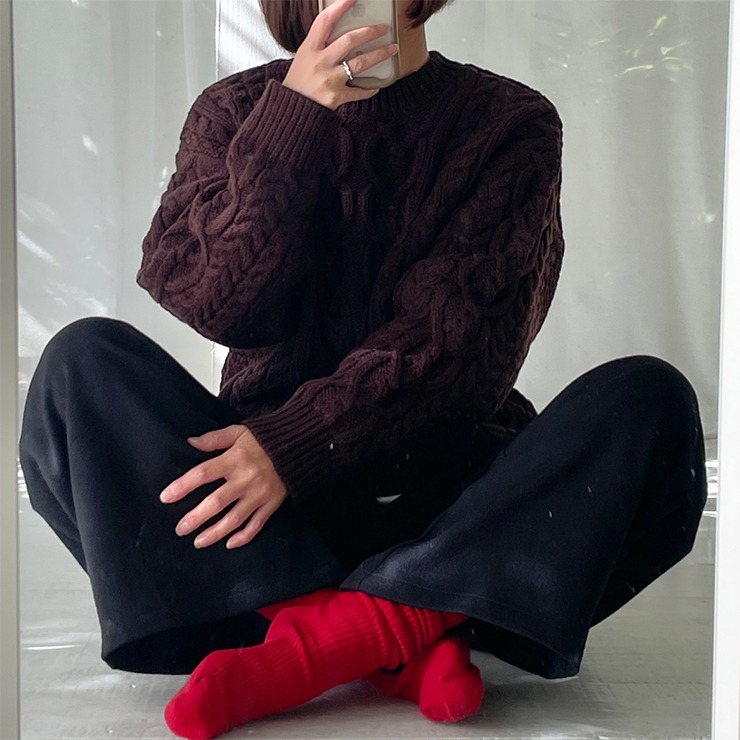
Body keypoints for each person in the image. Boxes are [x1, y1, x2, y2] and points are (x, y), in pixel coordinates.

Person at [18, 0, 708, 738]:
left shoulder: (511, 122)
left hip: (445, 505)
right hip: (263, 512)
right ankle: (406, 625)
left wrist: (295, 444)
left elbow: (464, 348)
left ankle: (318, 638)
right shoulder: (234, 110)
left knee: (651, 404)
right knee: (78, 369)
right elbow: (204, 298)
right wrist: (292, 122)